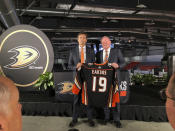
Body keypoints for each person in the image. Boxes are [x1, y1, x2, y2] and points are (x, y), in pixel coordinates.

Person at [96, 36, 125, 128]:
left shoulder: (117, 51)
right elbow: (96, 65)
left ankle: (117, 120)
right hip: (103, 80)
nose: (105, 43)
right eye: (103, 42)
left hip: (115, 79)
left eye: (106, 42)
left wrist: (118, 65)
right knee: (105, 99)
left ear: (110, 42)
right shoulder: (99, 53)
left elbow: (124, 63)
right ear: (101, 43)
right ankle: (106, 118)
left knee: (115, 100)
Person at [68, 32, 95, 127]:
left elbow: (94, 64)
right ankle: (74, 119)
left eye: (84, 38)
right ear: (77, 39)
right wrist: (76, 66)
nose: (82, 39)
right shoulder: (72, 51)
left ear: (86, 40)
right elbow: (69, 65)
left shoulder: (91, 51)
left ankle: (90, 119)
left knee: (89, 99)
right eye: (80, 37)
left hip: (88, 78)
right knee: (76, 100)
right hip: (77, 78)